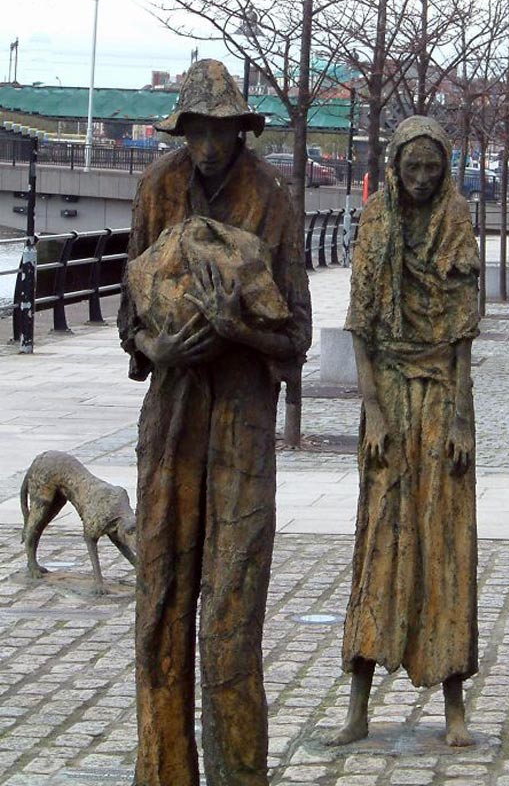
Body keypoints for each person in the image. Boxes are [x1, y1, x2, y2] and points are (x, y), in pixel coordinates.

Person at [117, 59, 312, 786]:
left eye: (219, 132)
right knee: (160, 604)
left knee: (231, 618)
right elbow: (129, 312)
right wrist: (155, 346)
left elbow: (294, 339)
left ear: (239, 129)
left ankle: (239, 775)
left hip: (240, 425)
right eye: (195, 132)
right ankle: (162, 771)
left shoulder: (272, 195)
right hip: (170, 420)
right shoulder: (157, 187)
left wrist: (240, 328)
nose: (206, 147)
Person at [332, 116, 480, 747]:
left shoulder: (456, 222)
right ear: (394, 166)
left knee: (446, 546)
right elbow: (361, 327)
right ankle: (358, 704)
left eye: (433, 169)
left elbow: (463, 338)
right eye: (411, 168)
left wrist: (463, 420)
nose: (422, 180)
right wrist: (375, 412)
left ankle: (454, 706)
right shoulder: (376, 222)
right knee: (381, 543)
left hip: (442, 394)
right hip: (389, 395)